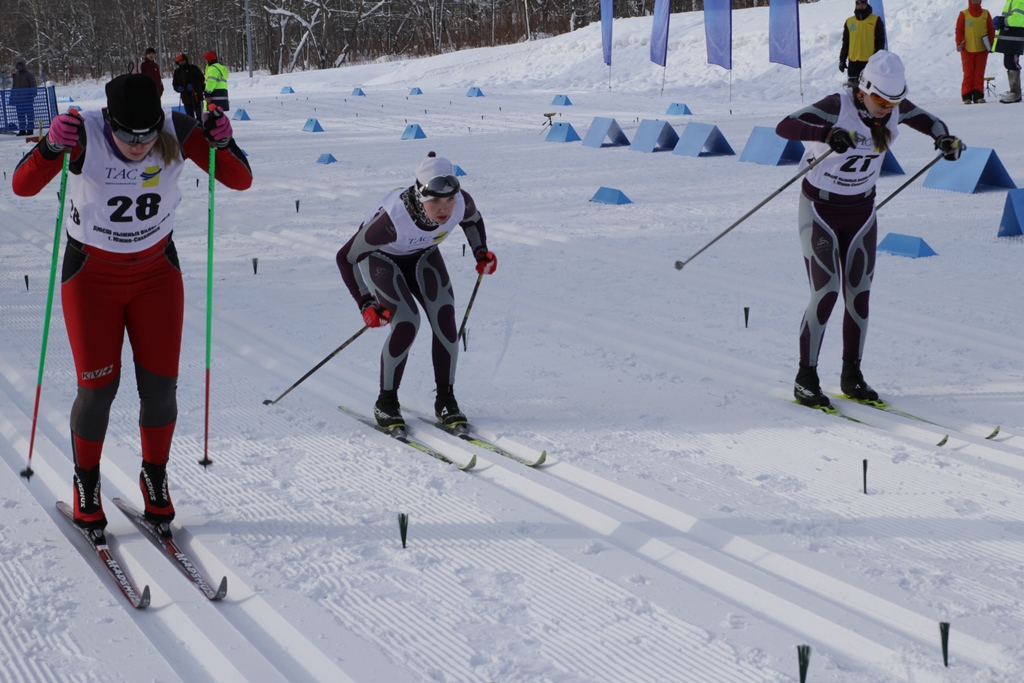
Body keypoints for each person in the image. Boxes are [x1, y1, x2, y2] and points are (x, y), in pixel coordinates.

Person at [11, 74, 252, 536]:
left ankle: (154, 478)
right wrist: (48, 147)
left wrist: (225, 141)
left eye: (147, 134)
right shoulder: (84, 134)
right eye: (125, 134)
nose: (138, 144)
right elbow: (23, 186)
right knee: (97, 389)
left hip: (156, 274)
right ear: (109, 121)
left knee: (160, 388)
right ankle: (87, 484)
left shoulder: (178, 131)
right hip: (91, 277)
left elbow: (239, 180)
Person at [775, 51, 963, 408]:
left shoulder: (895, 108)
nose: (886, 108)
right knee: (827, 291)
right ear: (863, 89)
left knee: (858, 294)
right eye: (880, 99)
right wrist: (827, 133)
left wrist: (945, 141)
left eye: (893, 101)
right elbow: (785, 126)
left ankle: (852, 375)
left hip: (861, 211)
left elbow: (933, 123)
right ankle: (806, 378)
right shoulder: (837, 105)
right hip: (819, 209)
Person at [335, 152, 497, 431]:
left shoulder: (461, 203)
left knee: (445, 318)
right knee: (408, 322)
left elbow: (472, 220)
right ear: (421, 197)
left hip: (422, 255)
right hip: (381, 258)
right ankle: (386, 402)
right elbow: (345, 257)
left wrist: (480, 251)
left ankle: (446, 400)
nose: (444, 208)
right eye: (435, 201)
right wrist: (364, 303)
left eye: (449, 199)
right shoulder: (391, 220)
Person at [840, 1, 887, 88]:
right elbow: (845, 42)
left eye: (862, 2)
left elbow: (880, 42)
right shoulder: (849, 22)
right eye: (858, 3)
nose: (860, 5)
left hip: (869, 63)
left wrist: (878, 60)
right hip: (853, 63)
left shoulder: (875, 20)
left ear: (866, 3)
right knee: (853, 91)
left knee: (869, 91)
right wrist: (842, 60)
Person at [957, 0, 997, 103]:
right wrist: (959, 43)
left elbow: (991, 29)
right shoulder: (963, 14)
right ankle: (966, 96)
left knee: (979, 73)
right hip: (967, 49)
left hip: (982, 49)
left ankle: (978, 96)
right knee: (968, 73)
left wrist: (992, 44)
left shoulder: (985, 14)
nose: (976, 1)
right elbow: (959, 30)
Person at [994, 0, 1024, 102]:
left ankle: (1015, 93)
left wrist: (1002, 21)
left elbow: (1018, 20)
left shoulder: (1020, 1)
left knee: (1012, 63)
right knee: (1008, 62)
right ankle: (1014, 92)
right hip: (1011, 39)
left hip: (1015, 39)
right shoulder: (1012, 1)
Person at [172, 53, 205, 121]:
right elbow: (174, 84)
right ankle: (192, 130)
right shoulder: (177, 72)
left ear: (186, 60)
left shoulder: (193, 68)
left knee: (200, 116)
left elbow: (201, 78)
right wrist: (178, 88)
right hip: (185, 98)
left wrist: (193, 84)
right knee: (189, 118)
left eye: (183, 60)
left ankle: (202, 129)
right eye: (180, 61)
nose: (181, 62)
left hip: (196, 96)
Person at [11, 59, 38, 136]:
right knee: (20, 116)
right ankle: (22, 130)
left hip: (27, 99)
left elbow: (33, 86)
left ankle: (30, 130)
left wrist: (32, 96)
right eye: (17, 66)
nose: (18, 68)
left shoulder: (29, 75)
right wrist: (13, 96)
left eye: (20, 66)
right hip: (18, 100)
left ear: (23, 66)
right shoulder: (15, 75)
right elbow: (14, 86)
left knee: (29, 115)